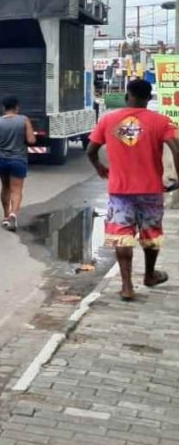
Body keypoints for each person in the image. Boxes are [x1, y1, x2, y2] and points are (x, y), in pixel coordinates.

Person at [86, 78, 179, 301]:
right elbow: (177, 150)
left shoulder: (108, 120)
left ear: (128, 96)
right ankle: (149, 275)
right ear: (149, 98)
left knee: (121, 236)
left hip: (120, 191)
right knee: (151, 234)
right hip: (151, 190)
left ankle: (127, 287)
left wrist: (100, 167)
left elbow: (91, 150)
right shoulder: (161, 121)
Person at [0, 95, 36, 232]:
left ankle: (5, 215)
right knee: (17, 189)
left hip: (1, 159)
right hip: (18, 159)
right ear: (17, 107)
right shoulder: (24, 120)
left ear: (3, 108)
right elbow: (31, 140)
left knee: (5, 187)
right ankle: (13, 214)